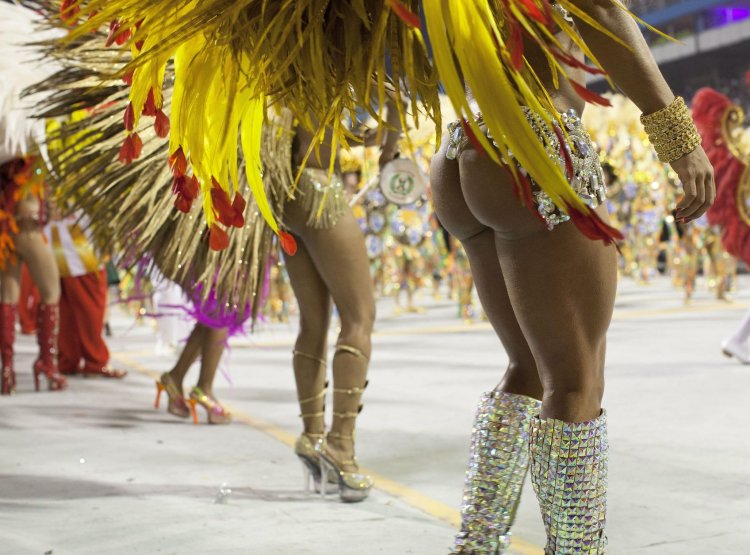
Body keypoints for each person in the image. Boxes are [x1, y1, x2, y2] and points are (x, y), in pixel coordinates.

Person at [429, 3, 714, 553]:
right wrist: (679, 139)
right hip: (533, 145)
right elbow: (599, 9)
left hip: (461, 148)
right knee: (575, 382)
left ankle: (478, 543)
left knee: (529, 369)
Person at [45, 210, 126, 379]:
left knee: (65, 313)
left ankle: (67, 361)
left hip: (54, 251)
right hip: (81, 253)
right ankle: (94, 362)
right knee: (90, 311)